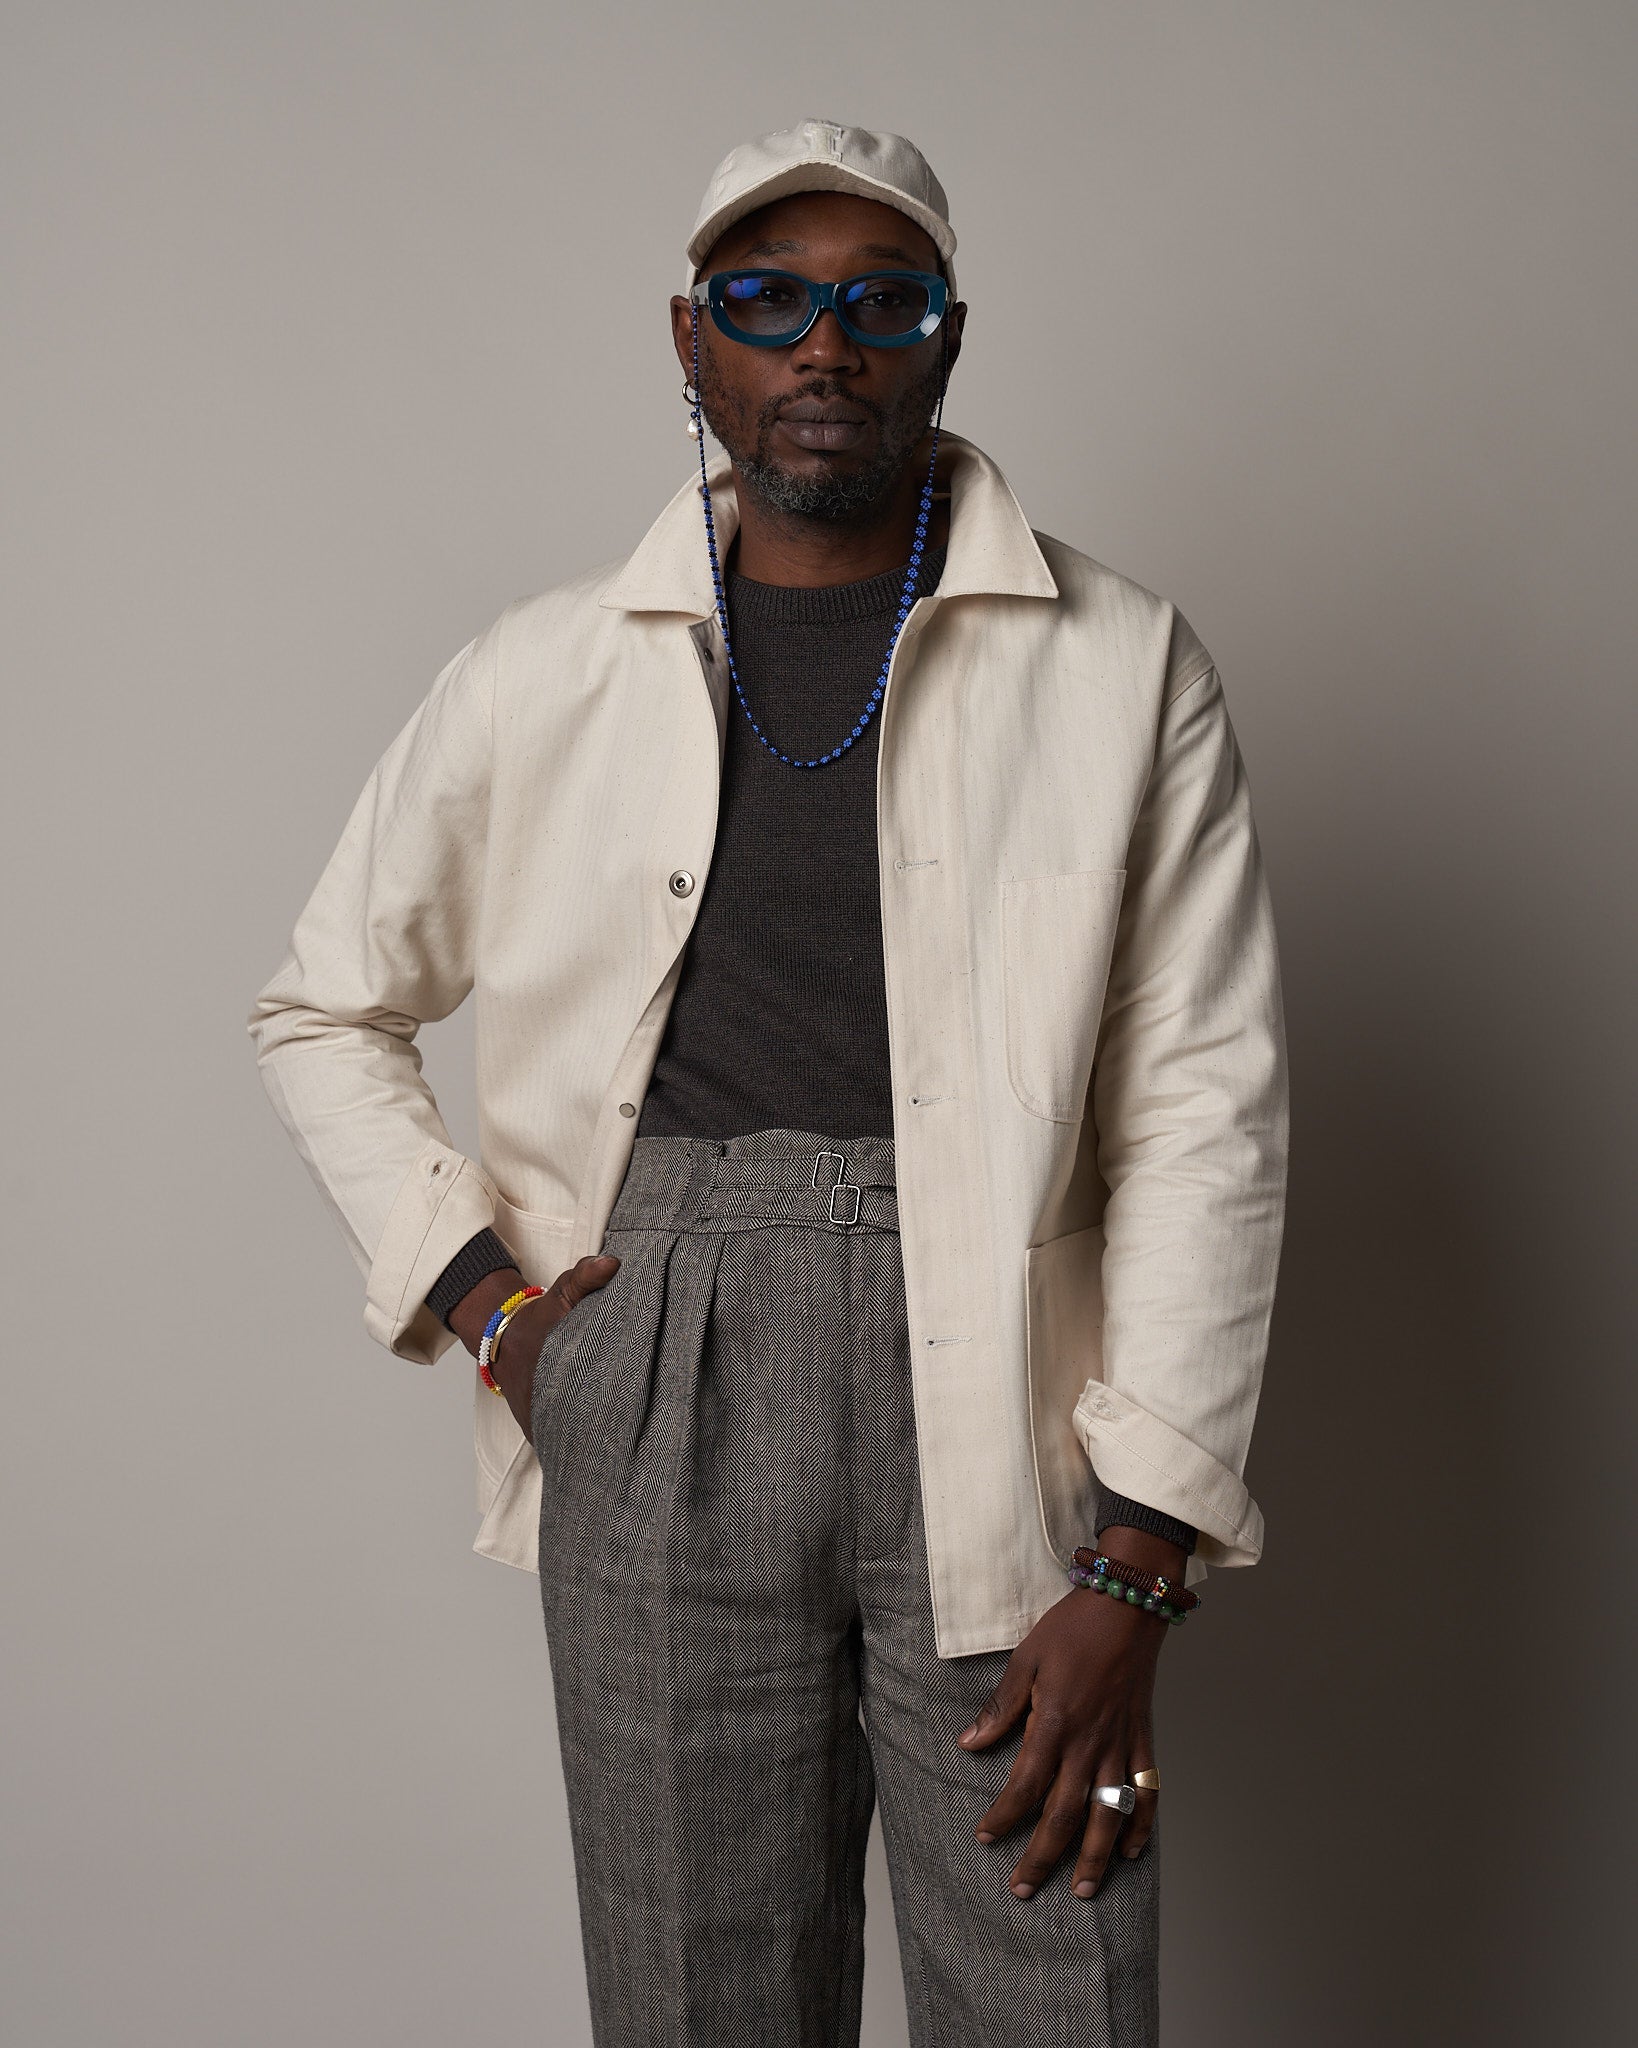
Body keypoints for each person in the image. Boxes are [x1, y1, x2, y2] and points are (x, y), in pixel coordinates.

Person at [248, 118, 1289, 2048]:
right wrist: (502, 1321)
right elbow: (326, 1006)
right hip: (654, 1368)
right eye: (767, 298)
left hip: (1008, 1394)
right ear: (690, 339)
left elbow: (1202, 1113)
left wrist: (1140, 1556)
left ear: (946, 338)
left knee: (1051, 1978)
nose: (824, 343)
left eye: (881, 302)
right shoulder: (541, 671)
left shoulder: (1122, 665)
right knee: (694, 2003)